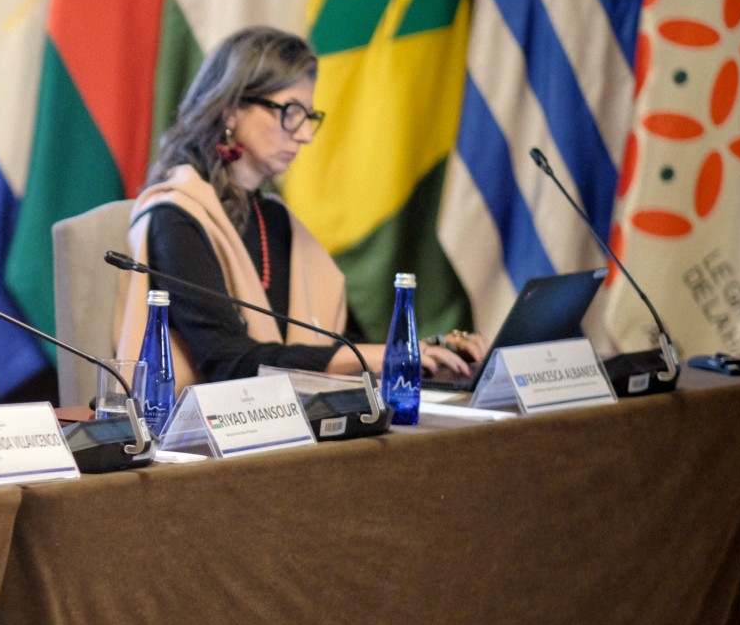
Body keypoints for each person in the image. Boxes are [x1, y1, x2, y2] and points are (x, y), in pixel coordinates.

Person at [116, 27, 484, 387]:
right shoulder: (174, 217)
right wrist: (385, 354)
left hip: (288, 424)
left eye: (308, 117)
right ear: (230, 111)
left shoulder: (274, 218)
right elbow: (232, 362)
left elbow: (337, 343)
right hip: (204, 438)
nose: (305, 135)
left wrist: (432, 353)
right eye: (290, 112)